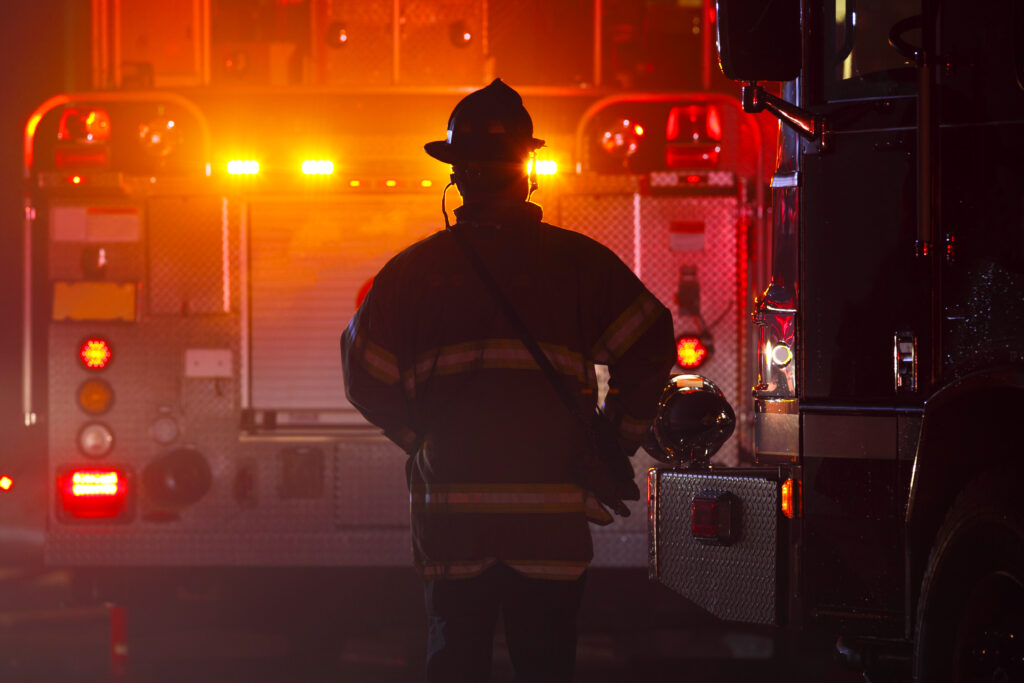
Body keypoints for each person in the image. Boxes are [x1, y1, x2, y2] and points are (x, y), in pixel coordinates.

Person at [341, 78, 675, 682]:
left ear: (458, 176)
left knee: (455, 663)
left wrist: (423, 438)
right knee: (545, 666)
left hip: (453, 528)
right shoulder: (580, 266)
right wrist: (616, 435)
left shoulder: (408, 276)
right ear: (527, 169)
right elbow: (650, 342)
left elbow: (365, 377)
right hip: (548, 529)